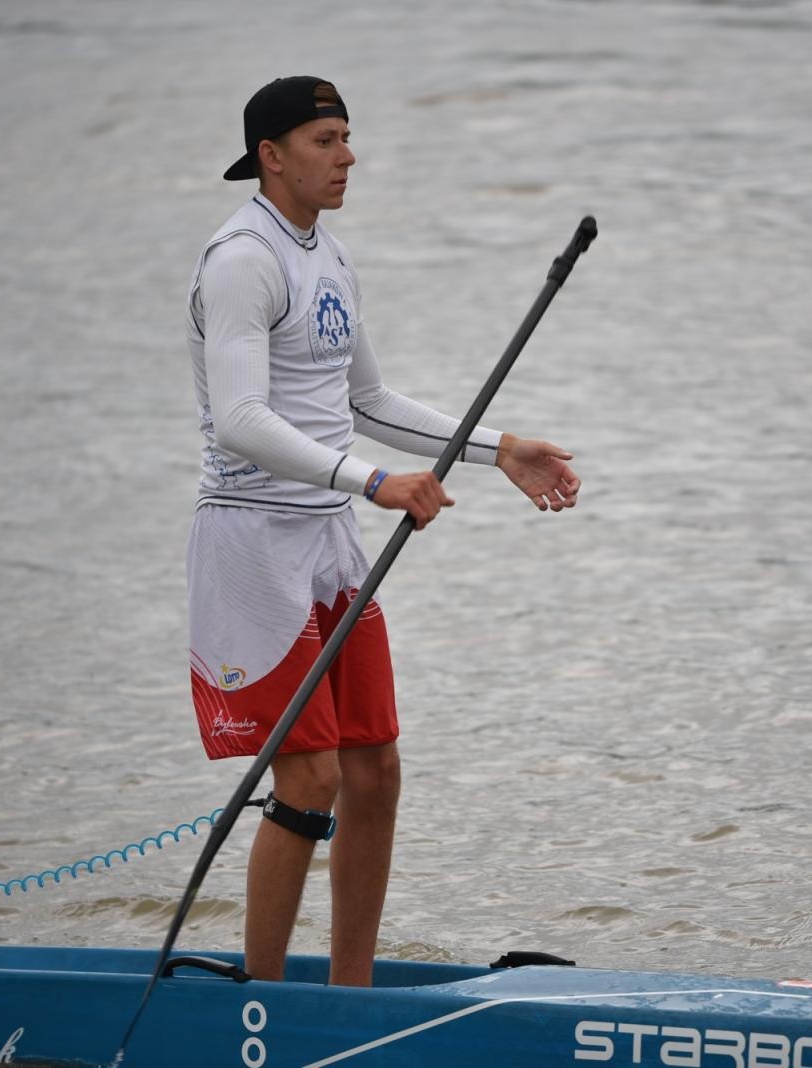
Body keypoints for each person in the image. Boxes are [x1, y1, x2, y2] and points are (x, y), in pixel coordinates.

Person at [184, 76, 580, 986]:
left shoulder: (332, 257)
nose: (348, 155)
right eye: (326, 140)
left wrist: (498, 448)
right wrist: (372, 482)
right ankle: (266, 1001)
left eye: (348, 137)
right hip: (251, 542)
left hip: (326, 543)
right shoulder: (242, 259)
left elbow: (367, 401)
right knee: (310, 781)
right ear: (272, 156)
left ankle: (350, 993)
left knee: (376, 771)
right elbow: (240, 418)